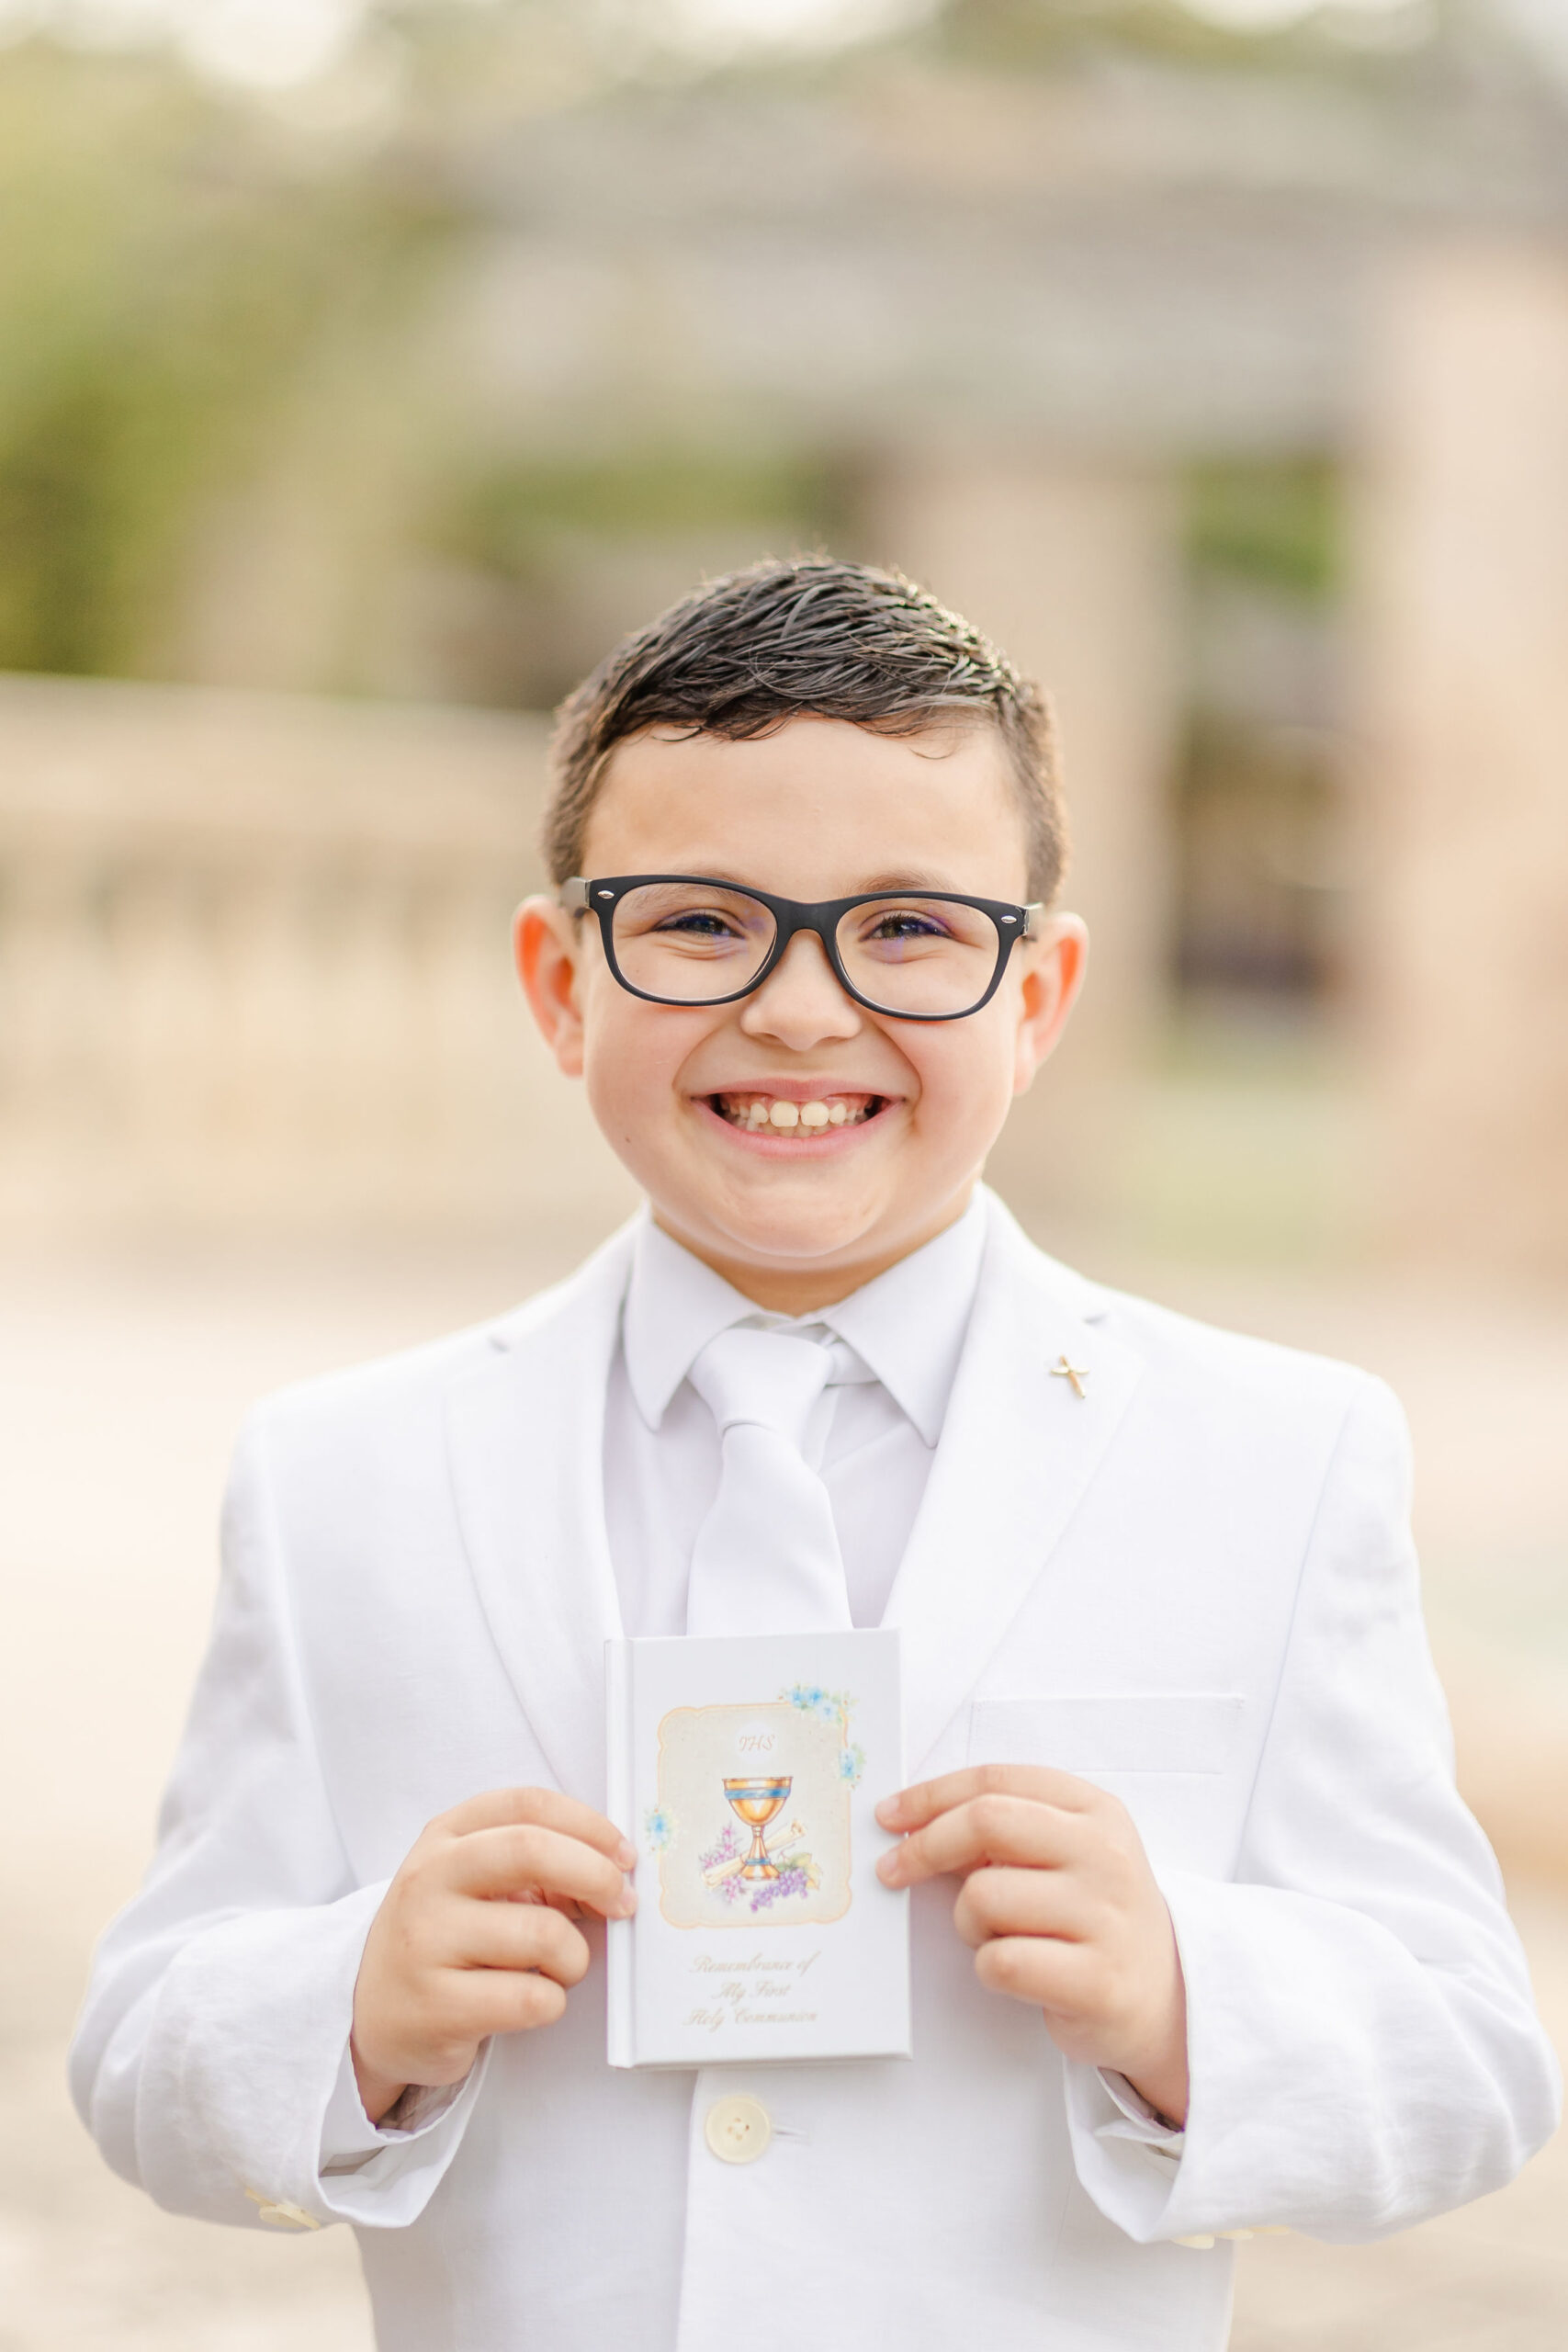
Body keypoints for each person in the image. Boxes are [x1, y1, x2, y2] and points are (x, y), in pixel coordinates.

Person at [71, 559, 1558, 2352]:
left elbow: (1468, 2053)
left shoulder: (1269, 1454)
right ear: (559, 982)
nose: (796, 1006)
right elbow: (144, 2040)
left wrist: (1184, 1987)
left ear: (1039, 993)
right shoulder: (345, 1474)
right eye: (696, 922)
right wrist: (352, 2005)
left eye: (909, 928)